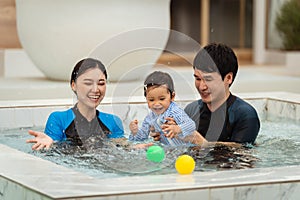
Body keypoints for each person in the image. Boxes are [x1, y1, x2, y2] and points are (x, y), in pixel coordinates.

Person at [152, 43, 260, 145]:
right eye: (198, 79)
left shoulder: (246, 115)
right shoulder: (191, 110)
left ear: (228, 78)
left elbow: (241, 153)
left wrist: (197, 140)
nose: (202, 87)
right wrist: (165, 135)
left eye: (208, 79)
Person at [26, 58, 125, 150]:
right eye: (88, 83)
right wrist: (51, 144)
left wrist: (138, 144)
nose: (95, 90)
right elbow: (52, 152)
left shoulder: (113, 121)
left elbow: (124, 149)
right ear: (73, 85)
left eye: (101, 83)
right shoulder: (58, 119)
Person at [128, 71, 196, 146]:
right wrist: (135, 132)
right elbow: (142, 138)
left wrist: (178, 128)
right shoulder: (150, 118)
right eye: (151, 100)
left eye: (162, 99)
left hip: (183, 149)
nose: (156, 104)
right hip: (167, 151)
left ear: (172, 97)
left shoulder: (174, 111)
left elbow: (191, 125)